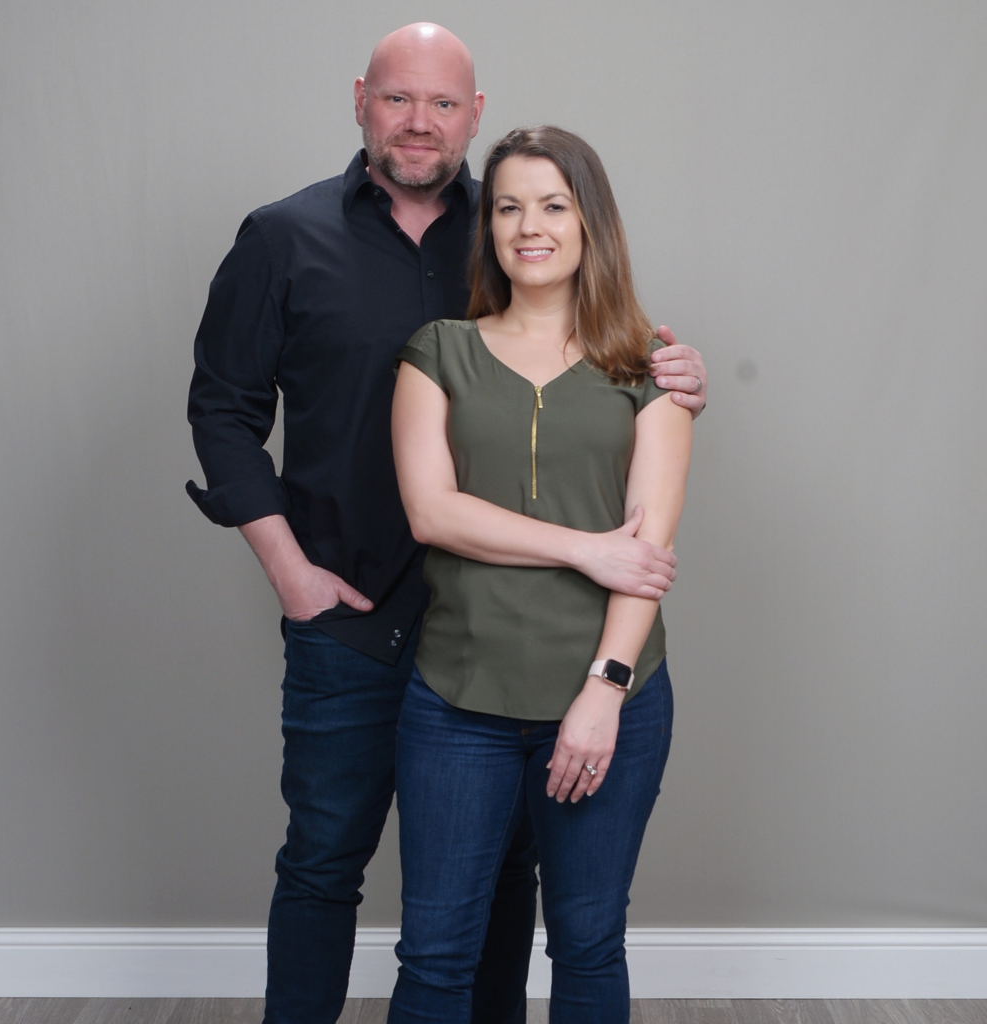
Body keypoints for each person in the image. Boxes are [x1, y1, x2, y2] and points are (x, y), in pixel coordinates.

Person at [186, 24, 708, 1024]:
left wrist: (667, 377)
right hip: (352, 611)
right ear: (359, 102)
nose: (417, 122)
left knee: (509, 878)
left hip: (512, 624)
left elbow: (597, 361)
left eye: (440, 104)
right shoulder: (282, 237)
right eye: (396, 99)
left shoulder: (511, 222)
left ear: (472, 115)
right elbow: (222, 411)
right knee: (327, 853)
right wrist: (288, 568)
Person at [389, 125, 692, 1024]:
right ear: (489, 229)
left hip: (612, 702)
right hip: (457, 700)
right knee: (437, 955)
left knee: (588, 943)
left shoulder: (652, 370)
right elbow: (431, 513)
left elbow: (646, 556)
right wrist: (582, 545)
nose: (531, 226)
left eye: (554, 205)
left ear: (590, 223)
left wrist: (604, 690)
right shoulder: (435, 351)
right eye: (510, 206)